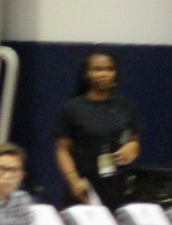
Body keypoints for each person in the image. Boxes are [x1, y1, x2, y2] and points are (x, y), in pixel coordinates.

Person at [54, 50, 141, 208]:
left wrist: (132, 148)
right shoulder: (73, 108)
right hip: (84, 186)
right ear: (86, 74)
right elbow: (62, 149)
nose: (104, 74)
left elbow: (133, 141)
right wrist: (73, 181)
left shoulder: (125, 107)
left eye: (109, 69)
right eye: (97, 69)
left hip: (117, 185)